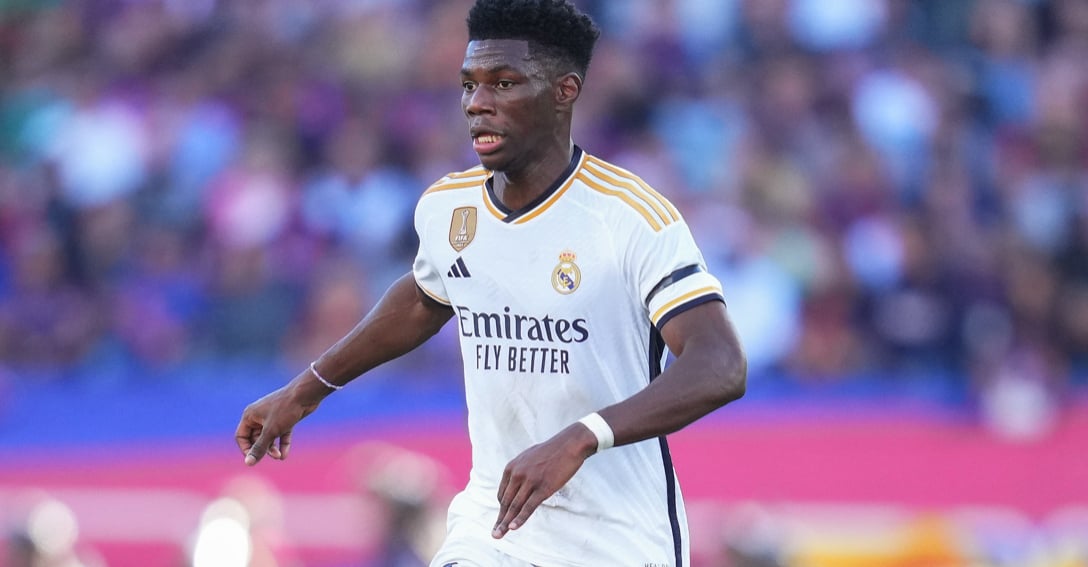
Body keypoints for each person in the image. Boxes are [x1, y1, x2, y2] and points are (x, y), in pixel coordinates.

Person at [235, 1, 747, 565]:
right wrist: (304, 390)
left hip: (617, 538)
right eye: (469, 84)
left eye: (503, 83)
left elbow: (720, 364)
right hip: (493, 525)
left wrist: (582, 436)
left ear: (564, 91)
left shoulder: (631, 218)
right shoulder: (449, 208)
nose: (477, 103)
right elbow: (424, 299)